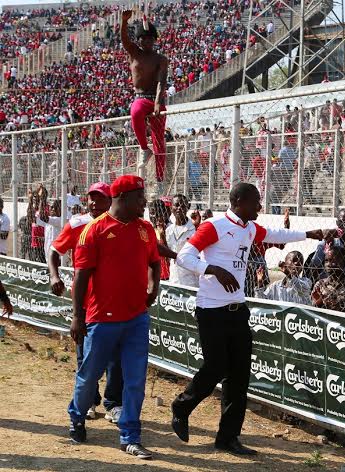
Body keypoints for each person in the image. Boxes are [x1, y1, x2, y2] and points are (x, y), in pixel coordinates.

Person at [171, 182, 325, 455]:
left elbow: (275, 233)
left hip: (238, 310)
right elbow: (184, 257)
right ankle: (182, 405)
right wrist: (213, 269)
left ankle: (228, 438)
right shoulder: (214, 226)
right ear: (239, 201)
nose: (260, 206)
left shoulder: (250, 228)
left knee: (239, 376)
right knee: (216, 367)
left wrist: (307, 233)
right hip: (211, 310)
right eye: (256, 201)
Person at [68, 175, 161, 460]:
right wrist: (77, 317)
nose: (144, 203)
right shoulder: (94, 230)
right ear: (122, 198)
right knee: (89, 376)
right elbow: (81, 277)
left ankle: (129, 436)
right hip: (101, 319)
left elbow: (155, 262)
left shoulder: (145, 229)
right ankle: (77, 415)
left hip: (136, 319)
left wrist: (153, 288)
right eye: (140, 197)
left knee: (135, 380)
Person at [49, 182, 123, 423]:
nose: (93, 202)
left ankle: (113, 404)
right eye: (91, 198)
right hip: (85, 303)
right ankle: (90, 401)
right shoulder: (78, 224)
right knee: (85, 356)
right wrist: (54, 275)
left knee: (114, 357)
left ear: (110, 201)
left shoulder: (121, 224)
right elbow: (54, 250)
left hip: (113, 301)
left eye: (99, 198)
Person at [121, 10, 168, 191]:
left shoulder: (161, 59)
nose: (147, 42)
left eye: (150, 39)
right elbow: (124, 39)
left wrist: (157, 102)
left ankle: (160, 181)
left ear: (154, 40)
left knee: (159, 141)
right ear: (139, 40)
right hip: (140, 98)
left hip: (154, 98)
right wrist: (124, 22)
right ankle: (143, 148)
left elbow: (161, 81)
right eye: (143, 39)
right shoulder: (134, 52)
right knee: (135, 111)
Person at [165, 194, 200, 286]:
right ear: (171, 207)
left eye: (183, 205)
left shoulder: (194, 229)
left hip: (191, 281)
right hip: (174, 279)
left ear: (187, 207)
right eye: (176, 205)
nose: (179, 208)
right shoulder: (168, 230)